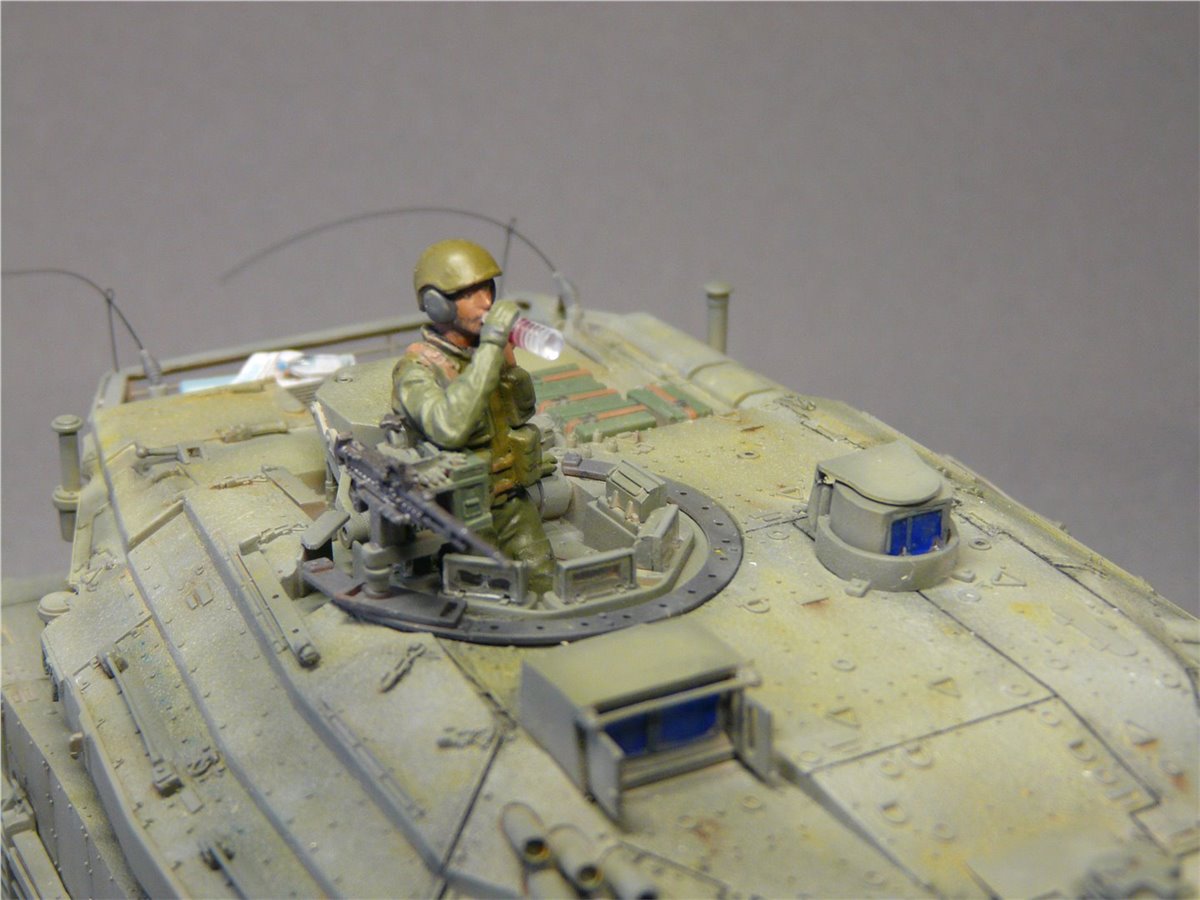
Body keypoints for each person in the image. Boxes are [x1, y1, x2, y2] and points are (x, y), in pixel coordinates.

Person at [392, 239, 555, 593]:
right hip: (462, 515)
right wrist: (492, 348)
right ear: (437, 304)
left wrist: (508, 365)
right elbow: (449, 427)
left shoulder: (489, 355)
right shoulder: (417, 370)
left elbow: (521, 413)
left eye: (487, 289)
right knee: (488, 594)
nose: (486, 303)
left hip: (511, 498)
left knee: (545, 576)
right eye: (469, 294)